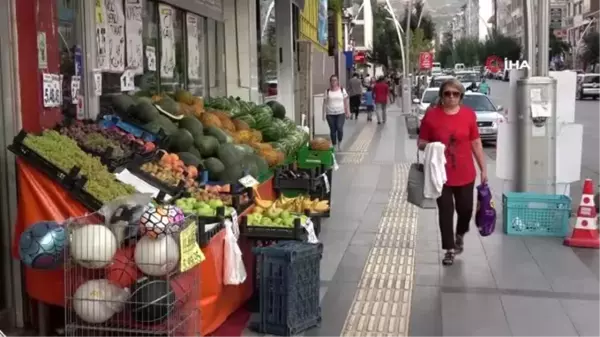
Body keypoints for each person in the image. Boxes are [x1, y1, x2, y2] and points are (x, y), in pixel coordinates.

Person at [417, 78, 487, 266]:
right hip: (441, 174)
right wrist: (432, 146)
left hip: (465, 172)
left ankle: (460, 234)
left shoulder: (469, 115)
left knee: (465, 210)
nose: (451, 97)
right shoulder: (431, 116)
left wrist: (483, 168)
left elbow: (476, 143)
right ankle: (449, 249)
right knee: (445, 212)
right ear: (441, 95)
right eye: (447, 93)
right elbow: (421, 142)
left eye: (455, 94)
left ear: (461, 96)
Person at [322, 75, 350, 150]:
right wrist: (323, 114)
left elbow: (346, 100)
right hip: (330, 114)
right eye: (332, 80)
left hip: (341, 112)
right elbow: (324, 103)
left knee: (339, 128)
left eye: (335, 80)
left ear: (337, 81)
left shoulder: (342, 90)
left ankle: (340, 142)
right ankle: (334, 144)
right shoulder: (327, 91)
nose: (333, 82)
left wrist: (348, 111)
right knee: (333, 130)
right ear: (330, 82)